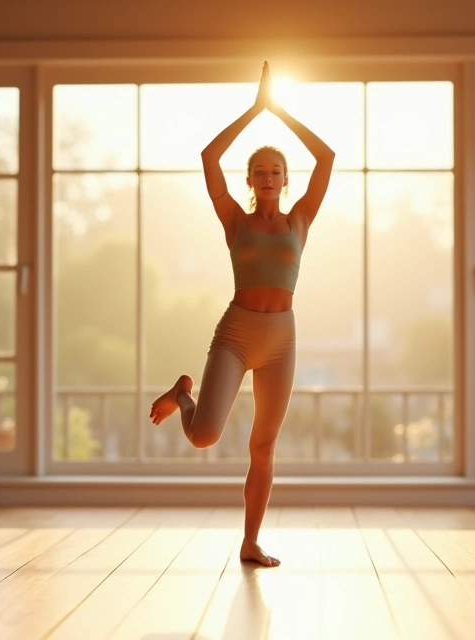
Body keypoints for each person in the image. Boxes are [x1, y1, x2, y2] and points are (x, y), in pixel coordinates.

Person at [149, 61, 335, 567]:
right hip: (237, 333)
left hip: (282, 339)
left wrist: (282, 111)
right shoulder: (234, 218)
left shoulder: (301, 218)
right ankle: (182, 396)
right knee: (204, 435)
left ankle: (250, 542)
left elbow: (328, 156)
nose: (269, 178)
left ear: (286, 179)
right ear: (250, 180)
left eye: (277, 171)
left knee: (264, 446)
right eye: (260, 172)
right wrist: (255, 110)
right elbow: (209, 155)